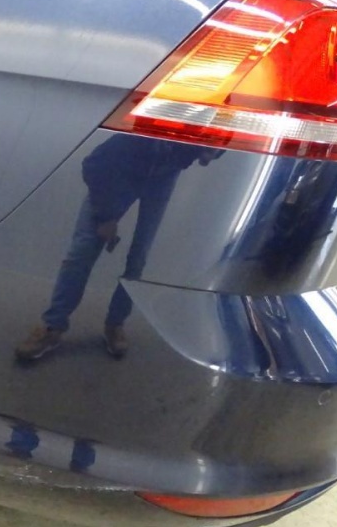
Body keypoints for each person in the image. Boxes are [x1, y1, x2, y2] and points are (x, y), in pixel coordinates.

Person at [15, 136, 220, 360]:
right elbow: (94, 165)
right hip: (124, 167)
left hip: (164, 175)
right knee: (81, 252)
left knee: (138, 257)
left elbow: (223, 132)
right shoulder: (119, 147)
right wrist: (105, 218)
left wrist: (212, 151)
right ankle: (52, 326)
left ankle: (115, 323)